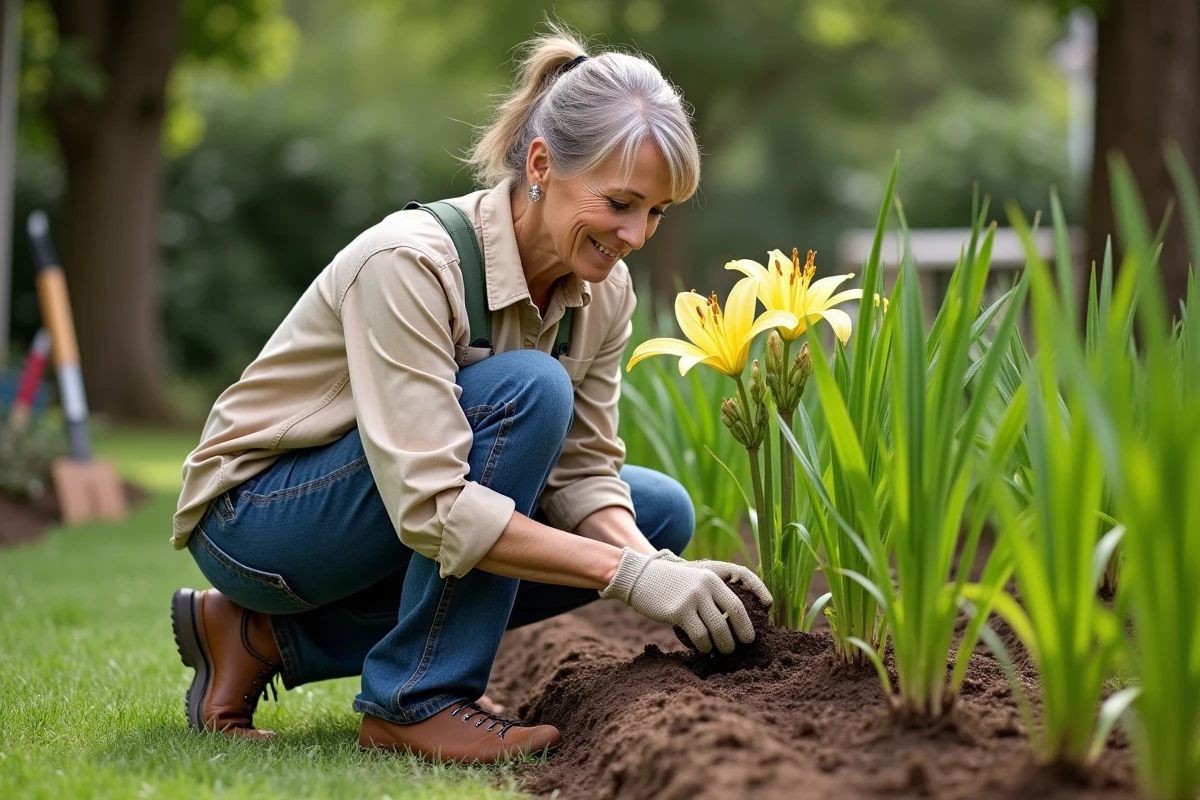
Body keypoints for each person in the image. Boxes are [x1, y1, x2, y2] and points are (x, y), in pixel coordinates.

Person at [169, 25, 771, 763]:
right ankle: (417, 702)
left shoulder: (603, 290)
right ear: (542, 164)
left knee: (657, 511)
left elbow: (583, 472)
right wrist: (627, 574)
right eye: (620, 202)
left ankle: (259, 638)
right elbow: (433, 505)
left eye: (656, 212)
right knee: (530, 388)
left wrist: (659, 566)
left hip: (384, 501)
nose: (636, 234)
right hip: (260, 518)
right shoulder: (411, 263)